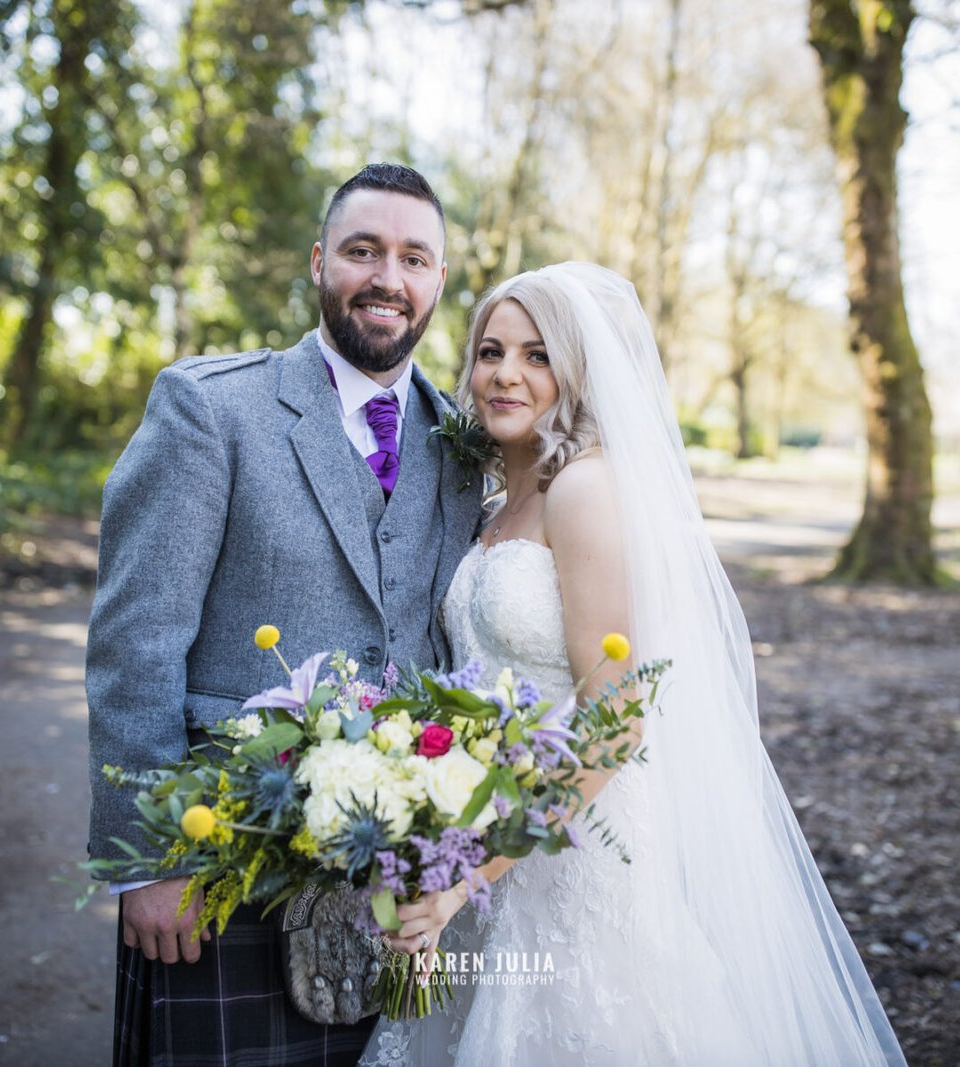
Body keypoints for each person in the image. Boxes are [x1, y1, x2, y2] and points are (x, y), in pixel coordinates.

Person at [360, 264, 907, 1065]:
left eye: (538, 354)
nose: (506, 372)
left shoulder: (584, 490)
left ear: (576, 373)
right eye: (490, 350)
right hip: (485, 850)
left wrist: (467, 876)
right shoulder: (492, 505)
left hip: (575, 855)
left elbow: (615, 723)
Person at [86, 163, 484, 1067]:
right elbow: (134, 642)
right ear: (318, 263)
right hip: (222, 866)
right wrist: (145, 859)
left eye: (414, 257)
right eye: (362, 250)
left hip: (399, 884)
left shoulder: (464, 445)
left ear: (438, 283)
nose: (388, 276)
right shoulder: (211, 408)